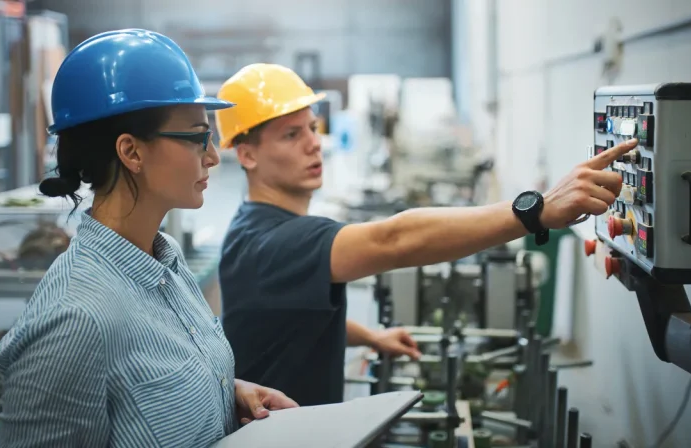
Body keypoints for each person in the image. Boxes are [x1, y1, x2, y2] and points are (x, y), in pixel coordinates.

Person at [214, 63, 638, 407]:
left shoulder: (252, 228)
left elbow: (290, 318)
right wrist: (535, 211)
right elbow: (396, 239)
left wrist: (370, 337)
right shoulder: (275, 244)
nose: (313, 144)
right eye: (292, 134)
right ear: (246, 154)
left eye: (311, 127)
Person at [0, 31, 297, 447]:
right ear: (131, 152)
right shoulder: (75, 319)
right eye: (195, 138)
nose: (211, 156)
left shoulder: (165, 265)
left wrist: (223, 392)